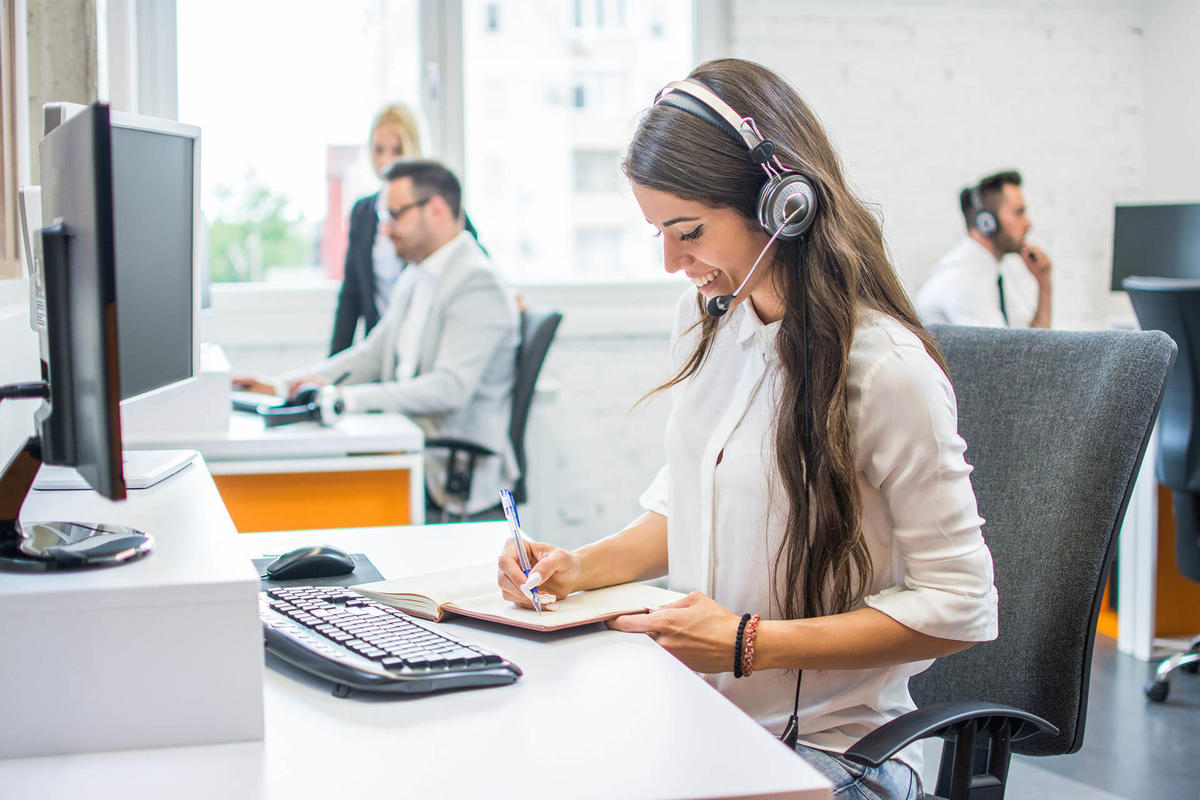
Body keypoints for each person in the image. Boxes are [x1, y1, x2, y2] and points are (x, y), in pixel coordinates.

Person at [496, 59, 997, 800]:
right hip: (701, 722)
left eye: (688, 230)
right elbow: (689, 505)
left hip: (833, 756)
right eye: (659, 232)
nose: (672, 261)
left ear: (783, 205)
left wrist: (748, 644)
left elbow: (962, 605)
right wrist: (579, 566)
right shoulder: (710, 323)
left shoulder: (887, 372)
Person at [236, 160, 519, 518]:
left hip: (445, 474)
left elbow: (450, 388)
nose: (385, 230)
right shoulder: (417, 276)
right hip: (409, 449)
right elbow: (371, 356)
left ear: (436, 210)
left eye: (394, 215)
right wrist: (283, 386)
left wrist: (344, 399)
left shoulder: (476, 283)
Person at [330, 104, 481, 355]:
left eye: (397, 150)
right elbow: (351, 295)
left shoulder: (435, 209)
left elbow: (471, 259)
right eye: (379, 150)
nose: (387, 160)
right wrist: (328, 374)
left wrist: (508, 295)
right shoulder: (362, 212)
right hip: (381, 348)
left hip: (426, 346)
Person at [915, 170, 1053, 328]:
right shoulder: (965, 280)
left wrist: (1044, 283)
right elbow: (1010, 352)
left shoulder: (985, 273)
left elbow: (1034, 343)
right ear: (987, 223)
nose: (1028, 223)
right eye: (1018, 213)